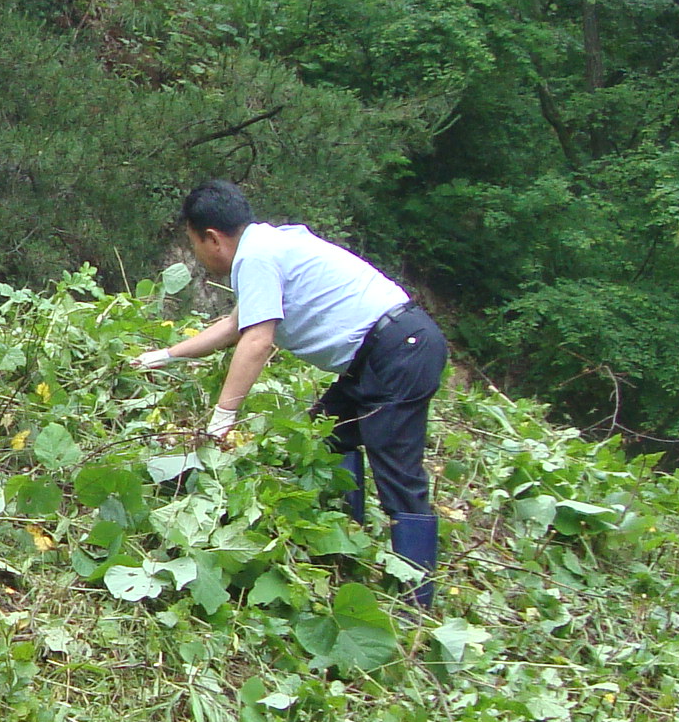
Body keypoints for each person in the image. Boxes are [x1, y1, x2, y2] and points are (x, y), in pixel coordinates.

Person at [133, 180, 448, 597]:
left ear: (212, 238)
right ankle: (341, 543)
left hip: (397, 351)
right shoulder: (267, 246)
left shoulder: (257, 257)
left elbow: (257, 341)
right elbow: (235, 326)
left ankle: (416, 602)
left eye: (194, 244)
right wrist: (167, 355)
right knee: (327, 438)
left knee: (398, 474)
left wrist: (221, 420)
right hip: (383, 353)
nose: (197, 254)